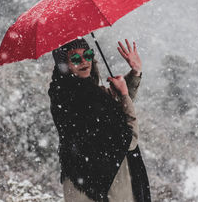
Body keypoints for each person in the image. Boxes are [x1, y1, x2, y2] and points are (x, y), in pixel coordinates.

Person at [48, 38, 150, 202]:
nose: (84, 61)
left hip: (93, 184)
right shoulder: (77, 98)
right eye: (75, 58)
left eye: (87, 54)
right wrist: (123, 94)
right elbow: (129, 138)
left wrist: (135, 72)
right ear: (64, 65)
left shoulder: (74, 92)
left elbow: (114, 109)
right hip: (107, 187)